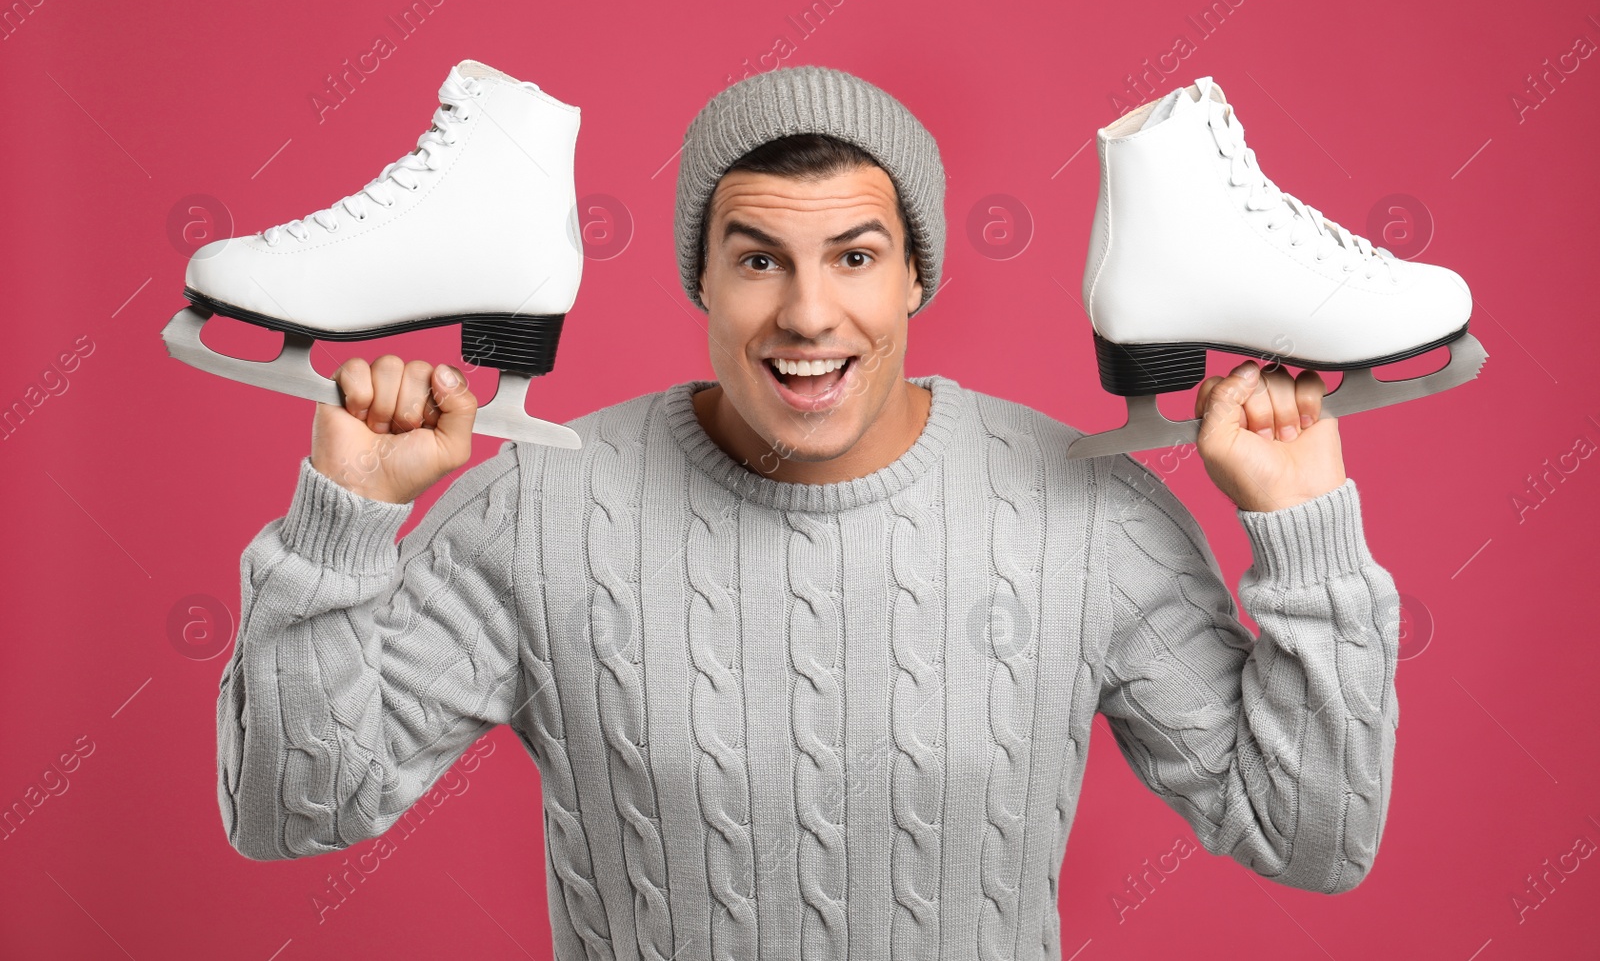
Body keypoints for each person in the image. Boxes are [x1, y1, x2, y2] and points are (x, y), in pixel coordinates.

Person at [215, 65, 1399, 960]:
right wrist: (345, 522)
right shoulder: (538, 508)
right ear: (700, 279)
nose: (808, 313)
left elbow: (1308, 838)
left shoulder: (1086, 513)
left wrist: (1307, 539)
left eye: (855, 255)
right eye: (758, 259)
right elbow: (289, 810)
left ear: (916, 275)